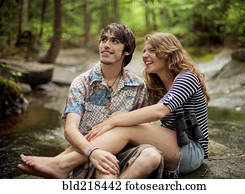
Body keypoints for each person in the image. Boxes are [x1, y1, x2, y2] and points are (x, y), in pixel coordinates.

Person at [19, 32, 209, 178]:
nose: (145, 55)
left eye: (152, 50)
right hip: (174, 146)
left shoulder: (187, 78)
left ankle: (61, 165)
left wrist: (114, 121)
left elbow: (159, 111)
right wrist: (112, 123)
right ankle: (60, 162)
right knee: (118, 126)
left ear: (168, 53)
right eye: (144, 50)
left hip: (190, 151)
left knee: (123, 126)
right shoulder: (157, 84)